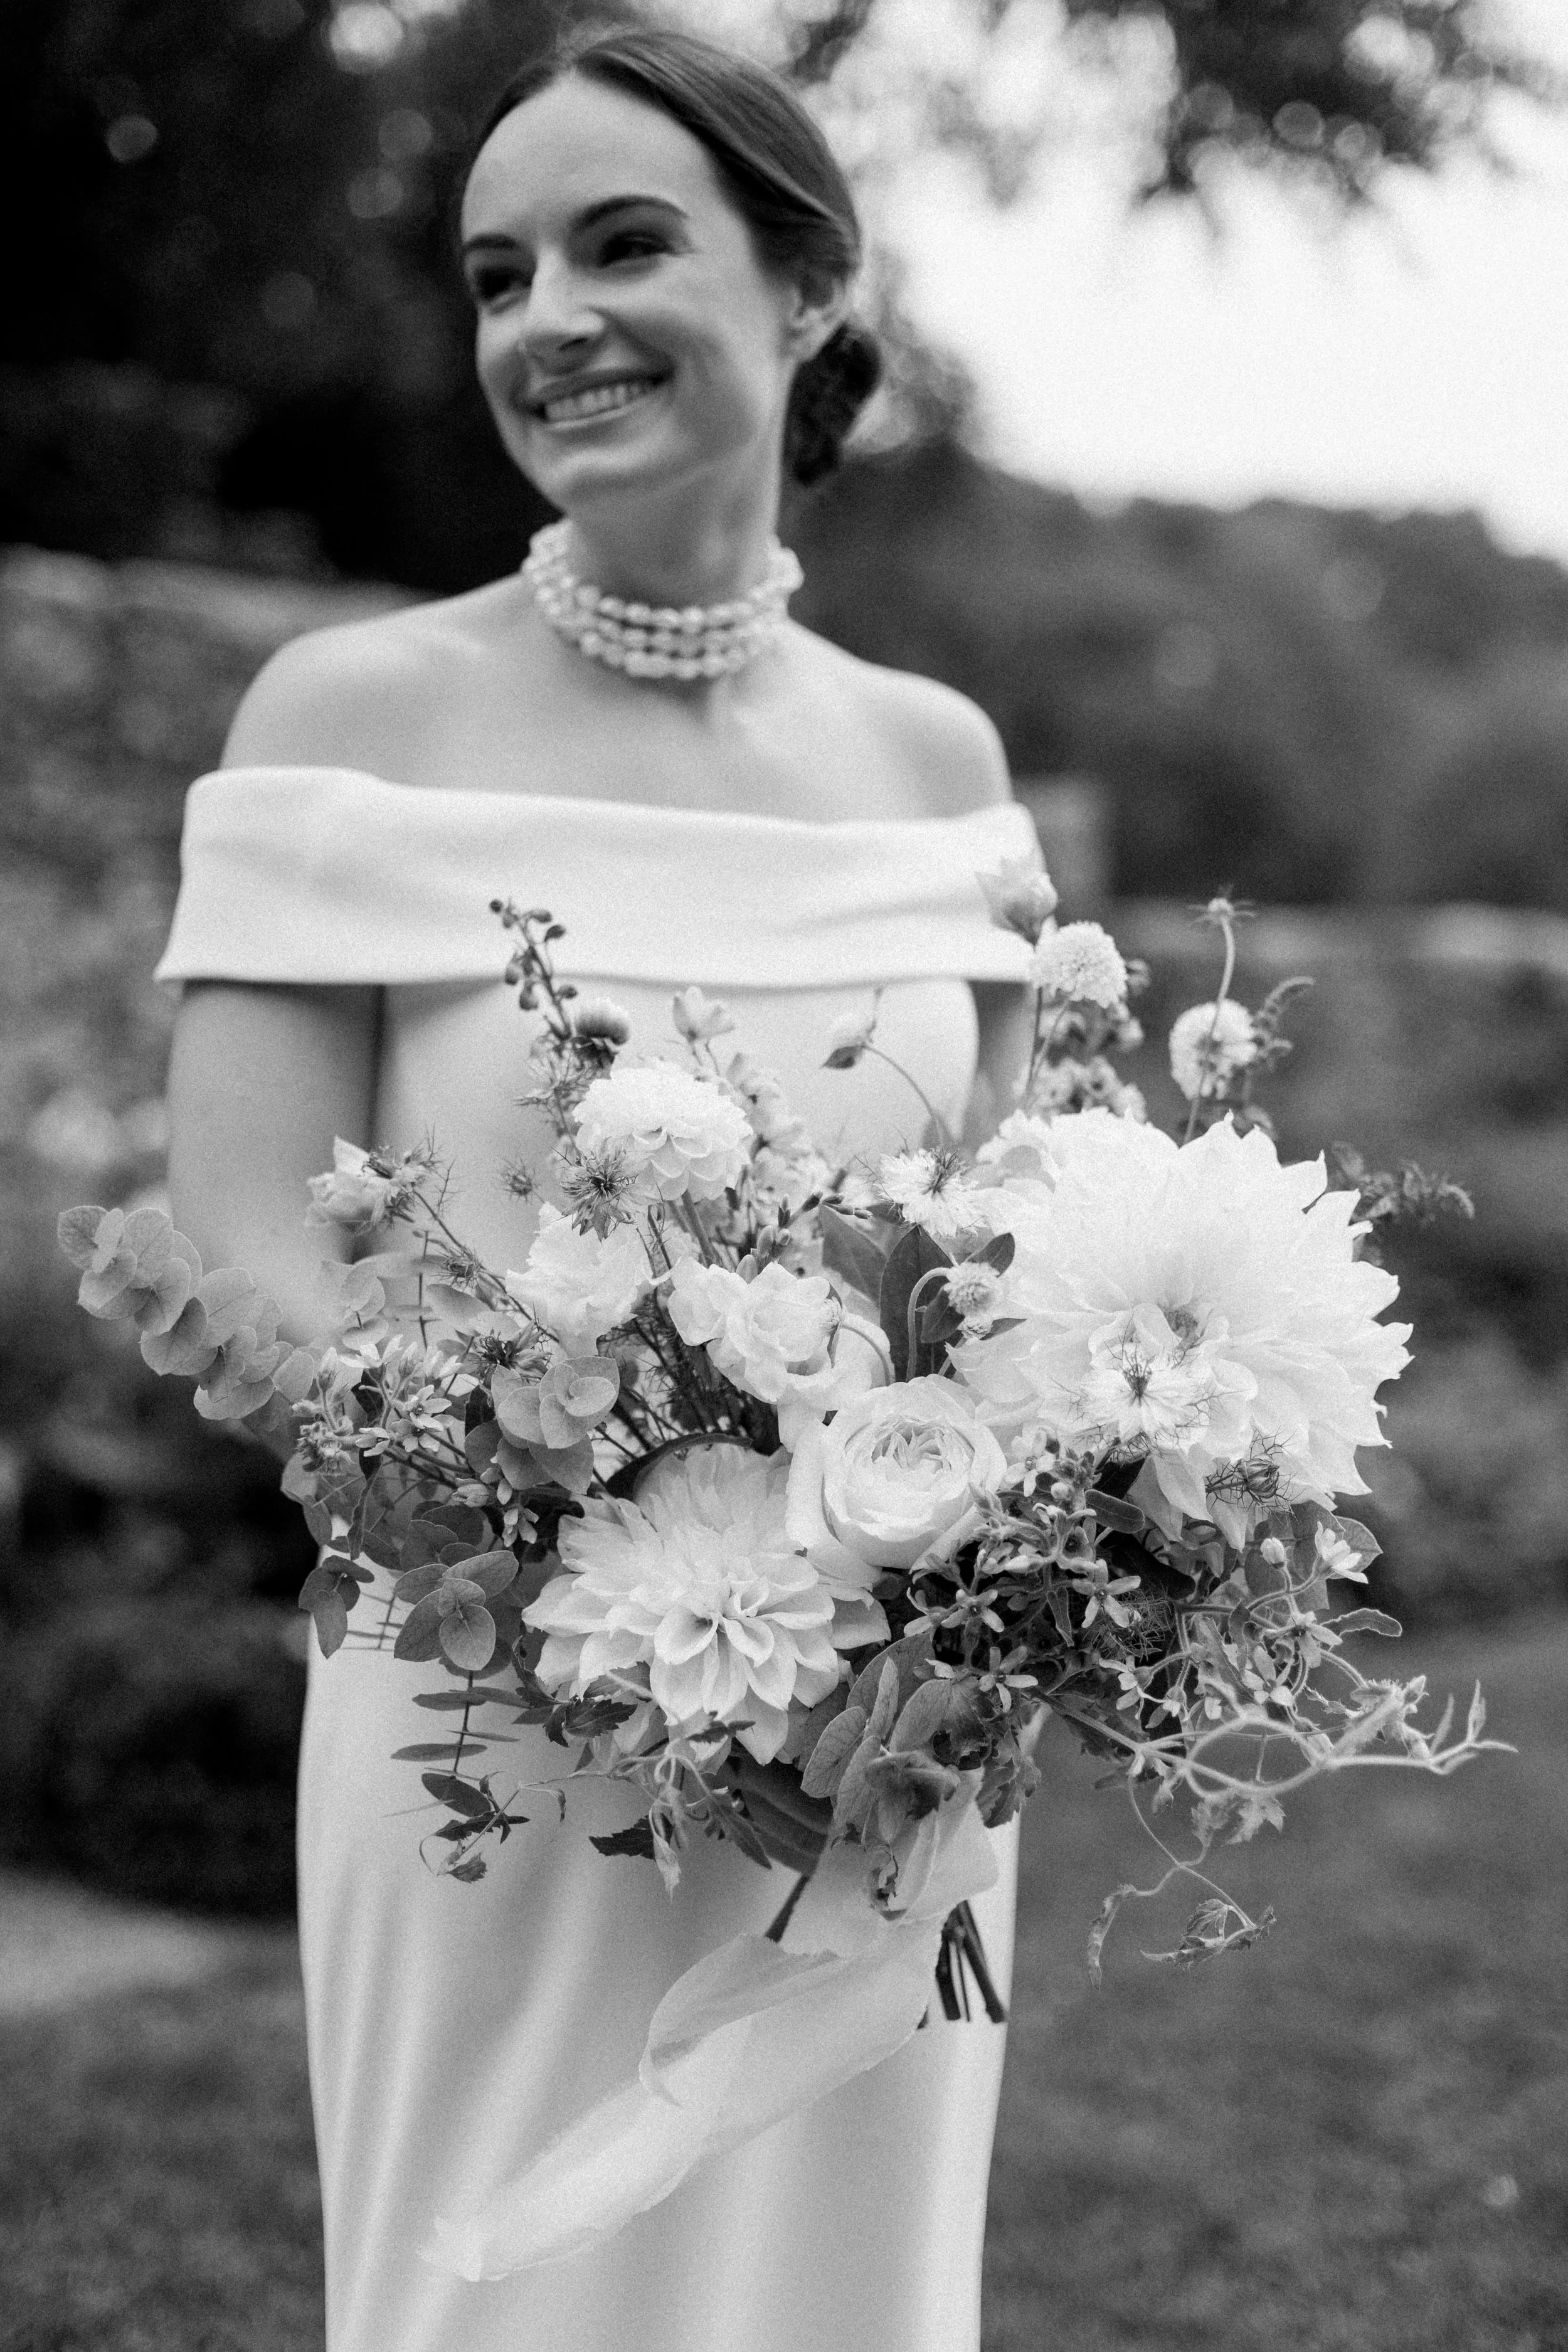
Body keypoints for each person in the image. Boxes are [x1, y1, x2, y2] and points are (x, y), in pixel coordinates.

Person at [161, 26, 1039, 2352]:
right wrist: (575, 1540)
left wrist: (1022, 1532)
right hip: (500, 1733)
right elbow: (240, 1250)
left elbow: (1018, 1266)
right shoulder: (342, 720)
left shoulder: (936, 766)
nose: (544, 316)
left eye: (622, 241)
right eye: (492, 270)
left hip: (890, 1756)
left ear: (812, 287)